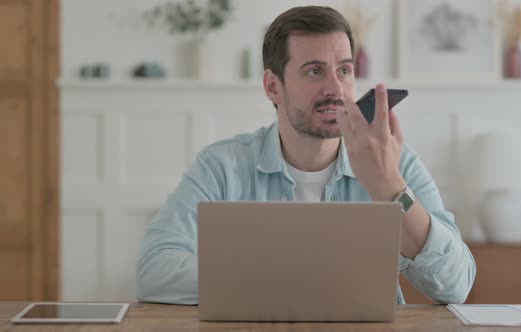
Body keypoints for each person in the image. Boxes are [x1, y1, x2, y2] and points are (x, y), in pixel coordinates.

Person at [136, 5, 475, 305]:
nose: (336, 89)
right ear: (273, 86)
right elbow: (156, 271)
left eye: (344, 70)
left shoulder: (395, 162)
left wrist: (392, 191)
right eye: (315, 71)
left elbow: (456, 285)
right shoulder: (221, 167)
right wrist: (295, 280)